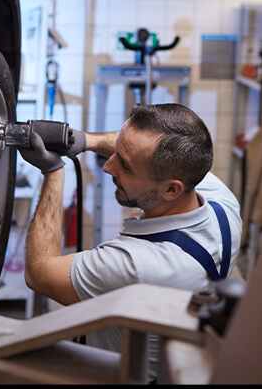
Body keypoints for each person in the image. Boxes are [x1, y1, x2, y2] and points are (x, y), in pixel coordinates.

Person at [19, 103, 242, 374]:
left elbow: (38, 273)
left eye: (124, 165)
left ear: (171, 189)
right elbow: (138, 148)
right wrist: (86, 141)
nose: (108, 167)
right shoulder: (223, 203)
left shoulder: (138, 267)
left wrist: (53, 172)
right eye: (117, 152)